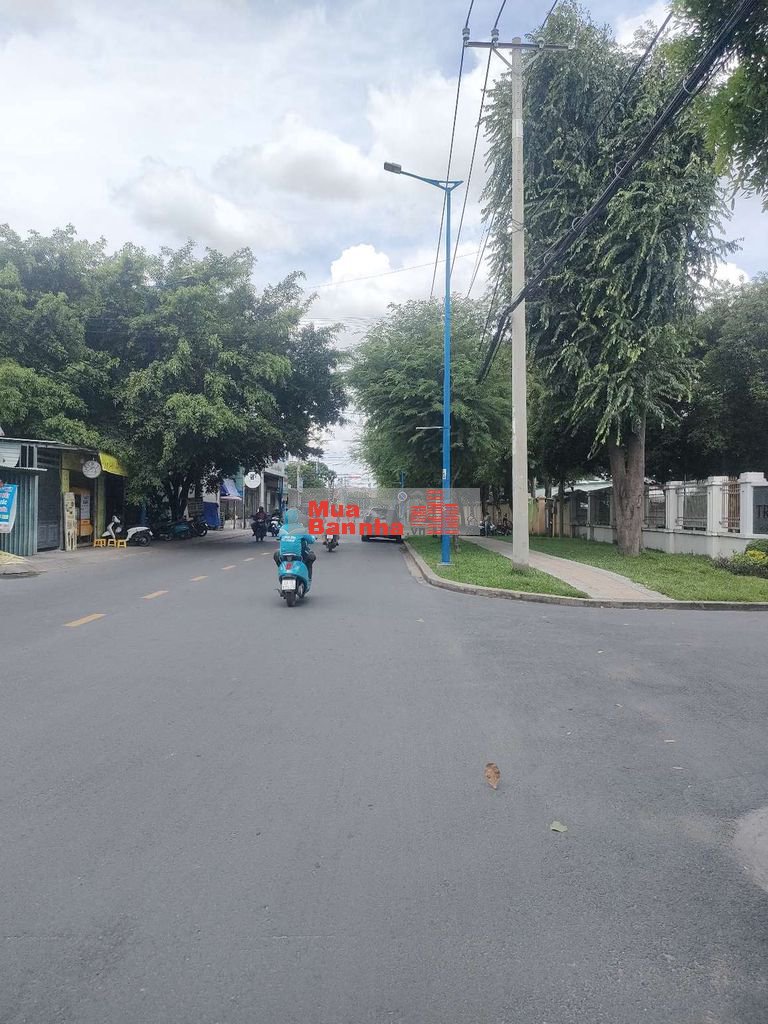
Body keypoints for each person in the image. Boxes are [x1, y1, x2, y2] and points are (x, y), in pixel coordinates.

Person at [273, 508, 316, 578]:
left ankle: (282, 570)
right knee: (311, 556)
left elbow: (280, 536)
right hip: (298, 557)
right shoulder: (301, 528)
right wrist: (313, 538)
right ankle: (309, 578)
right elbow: (311, 540)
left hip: (283, 557)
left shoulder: (282, 528)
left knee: (276, 554)